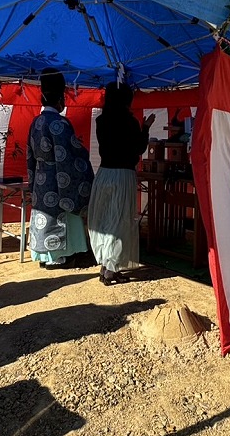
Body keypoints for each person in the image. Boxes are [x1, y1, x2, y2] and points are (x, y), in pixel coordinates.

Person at [87, 82, 155, 285]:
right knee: (118, 222)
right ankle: (110, 269)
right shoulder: (130, 122)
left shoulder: (101, 121)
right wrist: (146, 128)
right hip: (123, 175)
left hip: (104, 174)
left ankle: (105, 266)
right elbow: (139, 148)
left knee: (104, 221)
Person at [27, 69, 94, 269]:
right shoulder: (60, 123)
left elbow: (30, 155)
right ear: (59, 99)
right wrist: (82, 153)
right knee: (59, 218)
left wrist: (33, 180)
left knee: (44, 219)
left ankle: (45, 255)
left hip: (41, 178)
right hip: (59, 179)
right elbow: (69, 154)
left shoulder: (35, 122)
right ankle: (61, 256)